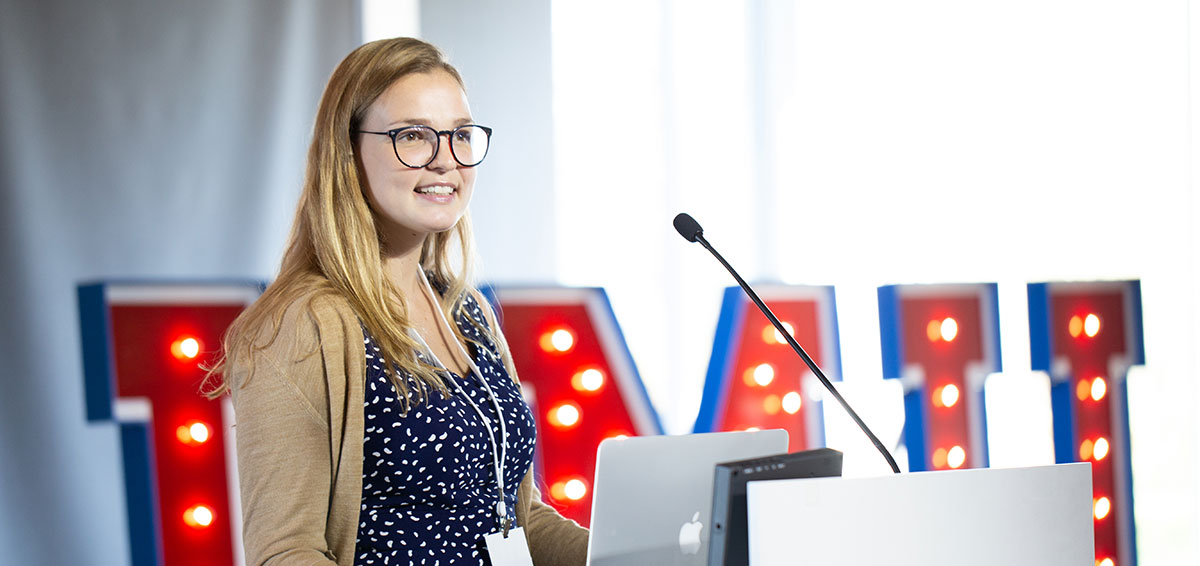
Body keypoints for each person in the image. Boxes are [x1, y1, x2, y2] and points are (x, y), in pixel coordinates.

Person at [204, 37, 589, 566]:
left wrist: (647, 553)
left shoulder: (467, 311)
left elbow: (515, 521)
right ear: (347, 153)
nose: (445, 162)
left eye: (459, 136)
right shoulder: (304, 326)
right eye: (413, 136)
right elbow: (285, 552)